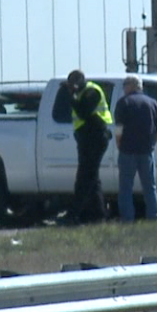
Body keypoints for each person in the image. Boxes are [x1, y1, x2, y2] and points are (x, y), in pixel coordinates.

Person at [113, 75, 157, 222]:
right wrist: (152, 142)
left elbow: (119, 127)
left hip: (127, 150)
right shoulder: (152, 103)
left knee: (126, 187)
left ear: (131, 86)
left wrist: (119, 143)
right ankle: (154, 216)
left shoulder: (124, 102)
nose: (123, 88)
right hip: (146, 150)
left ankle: (127, 218)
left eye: (125, 85)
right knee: (150, 186)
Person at [64, 69, 112, 224]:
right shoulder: (80, 93)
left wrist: (71, 96)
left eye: (75, 83)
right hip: (86, 138)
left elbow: (84, 112)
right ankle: (97, 214)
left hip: (96, 137)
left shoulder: (92, 91)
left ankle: (74, 213)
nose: (73, 86)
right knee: (92, 177)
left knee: (85, 177)